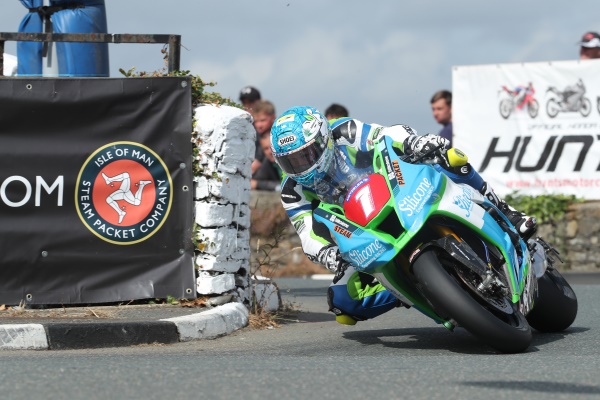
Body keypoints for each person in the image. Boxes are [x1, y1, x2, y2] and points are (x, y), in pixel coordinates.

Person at [269, 106, 537, 325]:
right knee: (343, 304)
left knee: (450, 157)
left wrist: (413, 142)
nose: (301, 167)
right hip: (362, 232)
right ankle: (414, 288)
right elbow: (307, 233)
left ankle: (505, 210)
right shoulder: (292, 189)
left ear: (323, 140)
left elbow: (385, 134)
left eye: (306, 156)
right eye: (291, 162)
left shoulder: (343, 130)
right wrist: (327, 253)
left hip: (395, 188)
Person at [251, 100, 283, 190]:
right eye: (256, 121)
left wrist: (258, 184)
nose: (259, 125)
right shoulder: (254, 135)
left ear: (273, 118)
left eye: (262, 120)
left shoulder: (283, 135)